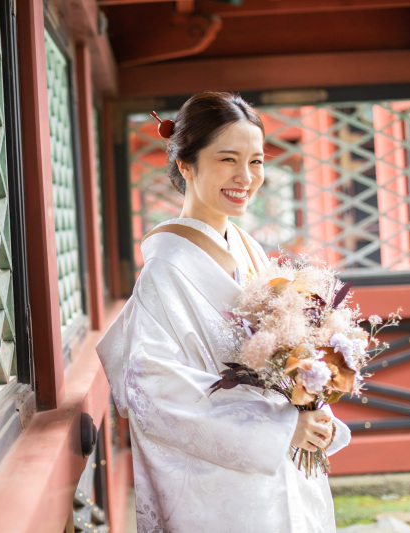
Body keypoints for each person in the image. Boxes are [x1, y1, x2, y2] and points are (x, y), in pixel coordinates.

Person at [96, 92, 351, 533]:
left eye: (256, 161)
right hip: (223, 492)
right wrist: (278, 429)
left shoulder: (245, 246)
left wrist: (310, 402)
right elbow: (152, 388)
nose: (246, 177)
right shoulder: (167, 269)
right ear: (186, 165)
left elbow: (280, 351)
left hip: (280, 466)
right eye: (228, 159)